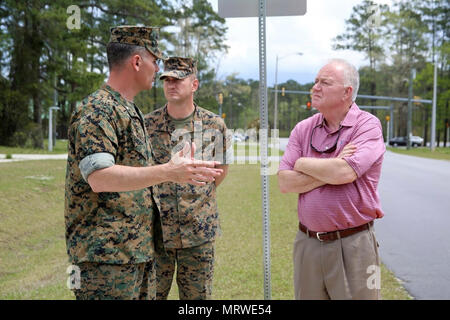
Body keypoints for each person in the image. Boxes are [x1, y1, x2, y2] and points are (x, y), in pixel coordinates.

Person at [64, 27, 223, 300]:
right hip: (106, 259)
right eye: (155, 60)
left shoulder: (128, 109)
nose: (158, 68)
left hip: (135, 253)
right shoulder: (98, 109)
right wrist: (169, 172)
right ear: (137, 62)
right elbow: (100, 177)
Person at [277, 58, 385, 300]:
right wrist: (333, 165)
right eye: (315, 81)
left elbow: (345, 173)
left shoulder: (367, 126)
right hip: (307, 243)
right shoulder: (303, 129)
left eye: (325, 82)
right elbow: (285, 182)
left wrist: (303, 164)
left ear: (347, 92)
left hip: (354, 245)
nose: (315, 87)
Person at [145, 56, 231, 300]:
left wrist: (194, 196)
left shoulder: (214, 125)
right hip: (155, 232)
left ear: (194, 85)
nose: (171, 84)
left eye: (178, 80)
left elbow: (219, 172)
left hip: (197, 232)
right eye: (167, 80)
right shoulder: (147, 124)